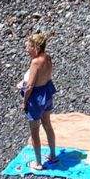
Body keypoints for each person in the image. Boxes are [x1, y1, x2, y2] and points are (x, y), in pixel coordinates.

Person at [20, 32, 57, 168]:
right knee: (47, 125)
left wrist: (24, 103)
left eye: (29, 46)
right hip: (47, 92)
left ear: (36, 47)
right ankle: (53, 155)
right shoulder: (47, 57)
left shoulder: (35, 62)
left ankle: (38, 163)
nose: (27, 49)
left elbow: (29, 87)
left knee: (34, 132)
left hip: (36, 97)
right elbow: (47, 75)